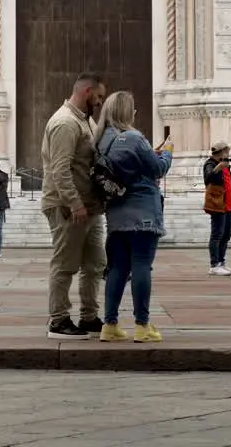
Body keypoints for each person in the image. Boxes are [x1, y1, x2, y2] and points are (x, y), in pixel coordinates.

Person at [92, 91, 173, 344]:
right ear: (127, 112)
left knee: (117, 268)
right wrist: (167, 152)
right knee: (141, 266)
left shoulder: (101, 140)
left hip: (116, 213)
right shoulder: (135, 138)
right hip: (143, 213)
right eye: (134, 109)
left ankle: (110, 324)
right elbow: (158, 169)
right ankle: (142, 325)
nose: (136, 113)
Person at [41, 72, 108, 340]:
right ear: (87, 91)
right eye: (99, 96)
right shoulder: (65, 123)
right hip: (67, 206)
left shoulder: (85, 121)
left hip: (88, 206)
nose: (101, 102)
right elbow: (60, 170)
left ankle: (89, 316)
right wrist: (74, 203)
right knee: (65, 264)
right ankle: (58, 320)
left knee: (94, 264)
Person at [203, 142, 231, 276]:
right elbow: (208, 178)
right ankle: (214, 265)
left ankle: (221, 262)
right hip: (218, 205)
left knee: (226, 235)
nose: (228, 154)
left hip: (228, 206)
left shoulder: (226, 166)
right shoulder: (210, 164)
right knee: (217, 235)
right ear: (221, 152)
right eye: (227, 152)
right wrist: (218, 167)